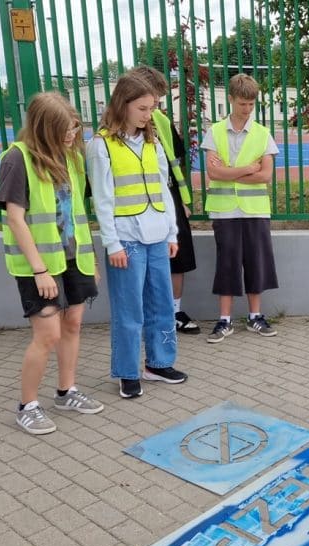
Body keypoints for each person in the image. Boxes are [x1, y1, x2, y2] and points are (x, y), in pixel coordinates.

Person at [0, 92, 104, 435]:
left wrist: (91, 260)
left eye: (74, 128)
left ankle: (66, 391)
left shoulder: (70, 157)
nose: (72, 135)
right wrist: (39, 270)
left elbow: (77, 213)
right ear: (44, 128)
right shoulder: (17, 159)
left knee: (73, 324)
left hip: (74, 258)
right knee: (47, 334)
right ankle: (27, 406)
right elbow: (16, 219)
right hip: (39, 264)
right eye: (64, 130)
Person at [87, 73, 188, 399]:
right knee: (129, 310)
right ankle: (127, 372)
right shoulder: (101, 145)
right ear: (123, 105)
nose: (149, 115)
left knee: (162, 304)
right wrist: (112, 243)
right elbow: (102, 199)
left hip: (157, 236)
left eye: (152, 108)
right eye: (143, 109)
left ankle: (159, 363)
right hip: (126, 240)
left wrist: (171, 233)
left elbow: (163, 189)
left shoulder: (152, 141)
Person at [200, 73, 280, 343]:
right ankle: (224, 320)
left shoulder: (262, 133)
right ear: (231, 99)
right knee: (227, 263)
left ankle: (255, 316)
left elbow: (265, 175)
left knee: (256, 262)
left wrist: (229, 172)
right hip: (224, 210)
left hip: (255, 210)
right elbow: (213, 173)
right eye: (242, 104)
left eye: (251, 104)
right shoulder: (214, 132)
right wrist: (246, 169)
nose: (247, 109)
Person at [128, 65, 201, 335]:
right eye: (150, 101)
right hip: (135, 204)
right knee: (141, 261)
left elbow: (174, 164)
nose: (154, 107)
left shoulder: (160, 121)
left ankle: (174, 312)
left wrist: (181, 200)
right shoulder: (113, 130)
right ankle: (147, 315)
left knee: (178, 256)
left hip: (167, 197)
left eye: (157, 101)